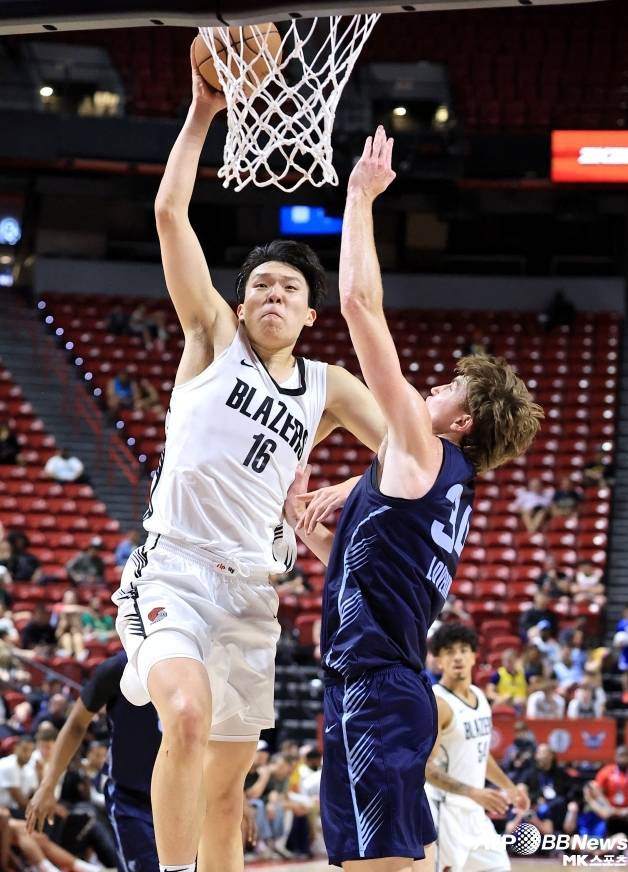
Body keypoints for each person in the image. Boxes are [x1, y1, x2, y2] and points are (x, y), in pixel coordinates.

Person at [112, 52, 387, 872]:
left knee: (227, 794)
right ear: (240, 302)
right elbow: (169, 213)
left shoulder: (328, 387)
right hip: (174, 570)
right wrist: (203, 114)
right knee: (185, 720)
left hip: (252, 592)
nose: (273, 294)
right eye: (261, 284)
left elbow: (413, 455)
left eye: (289, 289)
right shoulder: (211, 339)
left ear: (309, 314)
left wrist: (352, 482)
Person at [284, 127, 542, 871]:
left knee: (385, 865)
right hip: (370, 684)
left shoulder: (424, 452)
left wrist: (360, 197)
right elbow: (362, 570)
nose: (433, 385)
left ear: (463, 422)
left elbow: (359, 304)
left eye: (450, 388)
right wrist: (302, 519)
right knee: (385, 860)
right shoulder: (439, 485)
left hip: (377, 688)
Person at [27, 651, 162, 872]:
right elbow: (76, 724)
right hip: (131, 798)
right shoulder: (116, 668)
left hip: (187, 793)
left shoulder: (196, 661)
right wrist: (48, 785)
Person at [425, 624, 529, 872]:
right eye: (449, 652)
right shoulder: (437, 703)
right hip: (444, 812)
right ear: (439, 661)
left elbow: (480, 754)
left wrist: (510, 787)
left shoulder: (480, 696)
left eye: (463, 650)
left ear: (474, 656)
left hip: (475, 812)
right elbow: (425, 768)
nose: (458, 657)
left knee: (500, 868)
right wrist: (472, 792)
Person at [0, 734, 38, 817]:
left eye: (31, 751)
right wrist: (38, 812)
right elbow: (20, 800)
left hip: (13, 810)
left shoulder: (29, 768)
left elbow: (35, 793)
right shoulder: (8, 764)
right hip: (3, 809)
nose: (28, 754)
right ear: (16, 748)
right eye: (25, 750)